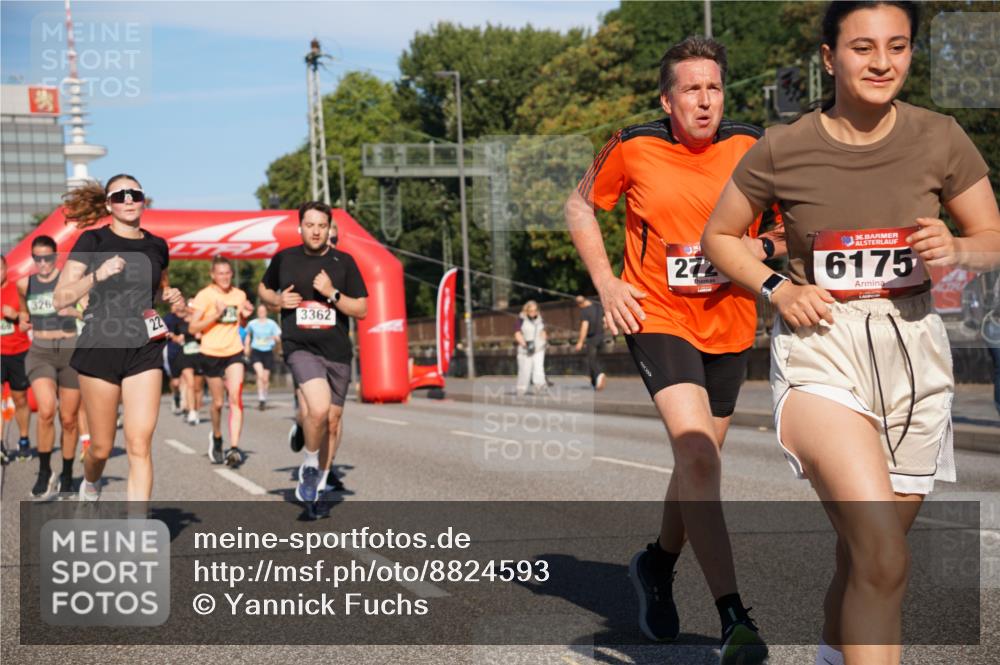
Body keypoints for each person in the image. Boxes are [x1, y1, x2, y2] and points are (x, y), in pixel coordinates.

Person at [701, 3, 1000, 664]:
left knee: (870, 558)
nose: (883, 61)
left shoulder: (941, 136)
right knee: (883, 550)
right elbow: (719, 237)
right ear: (830, 59)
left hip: (915, 352)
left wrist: (958, 247)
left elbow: (992, 238)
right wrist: (779, 287)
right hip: (821, 348)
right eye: (863, 48)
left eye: (898, 46)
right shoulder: (783, 147)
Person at [565, 35, 785, 665]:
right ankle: (733, 616)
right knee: (697, 455)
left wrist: (755, 253)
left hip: (730, 319)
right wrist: (608, 284)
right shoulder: (633, 143)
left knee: (699, 464)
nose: (705, 100)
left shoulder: (752, 144)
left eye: (714, 87)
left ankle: (656, 563)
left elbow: (790, 223)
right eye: (691, 88)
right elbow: (579, 204)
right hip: (657, 315)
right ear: (668, 99)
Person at [53, 174, 184, 502]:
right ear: (109, 204)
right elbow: (60, 298)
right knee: (101, 447)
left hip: (145, 347)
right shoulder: (92, 242)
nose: (129, 200)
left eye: (135, 194)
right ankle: (91, 485)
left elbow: (159, 285)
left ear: (143, 200)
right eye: (120, 195)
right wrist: (97, 274)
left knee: (140, 445)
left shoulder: (157, 245)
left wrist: (171, 295)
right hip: (101, 345)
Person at [258, 201, 367, 506]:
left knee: (332, 419)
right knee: (318, 409)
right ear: (300, 227)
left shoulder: (343, 262)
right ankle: (309, 465)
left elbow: (362, 309)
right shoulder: (285, 259)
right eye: (310, 225)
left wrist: (332, 292)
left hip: (337, 351)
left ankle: (320, 480)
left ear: (329, 228)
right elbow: (263, 289)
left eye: (322, 226)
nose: (316, 231)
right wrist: (278, 300)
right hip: (300, 347)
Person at [18, 235, 82, 497]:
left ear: (56, 257)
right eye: (37, 258)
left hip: (70, 351)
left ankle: (67, 473)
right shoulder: (25, 284)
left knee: (68, 419)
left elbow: (90, 311)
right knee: (46, 410)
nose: (42, 263)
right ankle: (45, 471)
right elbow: (24, 312)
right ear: (33, 258)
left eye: (47, 257)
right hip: (41, 352)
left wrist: (74, 312)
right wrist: (23, 321)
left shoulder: (70, 282)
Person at [189, 256, 253, 467]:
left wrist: (245, 316)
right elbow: (193, 328)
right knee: (217, 403)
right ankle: (217, 437)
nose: (225, 277)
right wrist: (215, 315)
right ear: (213, 275)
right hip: (211, 352)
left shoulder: (239, 294)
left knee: (235, 398)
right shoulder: (204, 296)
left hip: (234, 351)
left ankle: (234, 449)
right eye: (220, 273)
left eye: (228, 273)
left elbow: (240, 320)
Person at [0, 254, 33, 460]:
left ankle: (23, 440)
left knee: (20, 399)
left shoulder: (17, 289)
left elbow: (29, 319)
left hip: (19, 352)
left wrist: (16, 316)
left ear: (6, 269)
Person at [244, 304, 281, 410]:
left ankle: (264, 397)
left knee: (265, 378)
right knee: (259, 375)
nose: (261, 313)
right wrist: (246, 346)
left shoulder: (272, 324)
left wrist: (275, 338)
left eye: (263, 311)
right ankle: (260, 398)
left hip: (268, 351)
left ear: (266, 312)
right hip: (256, 351)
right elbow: (247, 334)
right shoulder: (252, 323)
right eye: (259, 311)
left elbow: (278, 337)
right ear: (257, 312)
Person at [514, 300, 548, 396]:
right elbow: (517, 334)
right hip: (525, 349)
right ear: (526, 311)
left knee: (539, 367)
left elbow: (543, 331)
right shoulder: (521, 320)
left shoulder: (540, 319)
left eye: (535, 310)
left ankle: (539, 386)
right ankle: (521, 388)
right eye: (531, 311)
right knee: (525, 369)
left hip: (538, 348)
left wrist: (544, 339)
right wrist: (524, 344)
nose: (533, 313)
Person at [574, 294, 607, 390]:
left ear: (580, 304)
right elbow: (605, 321)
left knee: (591, 360)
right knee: (596, 359)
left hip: (592, 338)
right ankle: (594, 383)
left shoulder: (584, 311)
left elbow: (584, 327)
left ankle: (599, 374)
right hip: (601, 336)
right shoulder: (598, 306)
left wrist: (580, 341)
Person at [163, 299, 186, 415]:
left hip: (186, 351)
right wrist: (175, 337)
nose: (181, 304)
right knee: (175, 381)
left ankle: (184, 401)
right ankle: (175, 395)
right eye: (178, 303)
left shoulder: (187, 317)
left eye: (182, 302)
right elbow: (164, 332)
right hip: (171, 350)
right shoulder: (168, 318)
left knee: (186, 376)